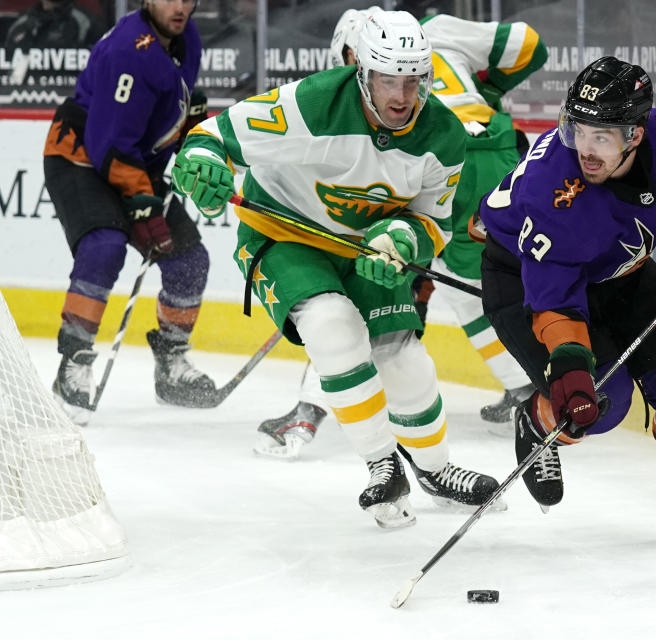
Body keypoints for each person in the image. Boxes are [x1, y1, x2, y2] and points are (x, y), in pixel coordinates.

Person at [172, 10, 502, 529]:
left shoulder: (443, 135)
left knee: (401, 356)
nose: (401, 95)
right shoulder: (312, 104)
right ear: (362, 73)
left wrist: (402, 236)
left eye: (413, 81)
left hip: (366, 249)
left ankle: (436, 471)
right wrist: (202, 156)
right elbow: (214, 133)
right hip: (284, 235)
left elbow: (433, 221)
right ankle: (382, 467)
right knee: (331, 326)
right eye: (388, 79)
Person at [478, 56, 656, 544]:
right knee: (601, 402)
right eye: (577, 131)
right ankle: (537, 421)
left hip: (621, 270)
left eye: (602, 137)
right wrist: (569, 363)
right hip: (527, 276)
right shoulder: (555, 192)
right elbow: (556, 296)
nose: (585, 150)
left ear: (637, 134)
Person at [251, 7, 548, 457]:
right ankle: (527, 392)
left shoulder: (358, 97)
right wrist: (485, 95)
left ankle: (307, 412)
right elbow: (530, 44)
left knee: (358, 290)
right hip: (495, 153)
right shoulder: (437, 36)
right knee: (477, 288)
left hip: (429, 159)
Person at [43, 0, 215, 426]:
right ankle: (73, 365)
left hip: (136, 159)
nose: (179, 6)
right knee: (104, 245)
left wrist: (185, 127)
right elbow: (108, 143)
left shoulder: (186, 36)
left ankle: (171, 366)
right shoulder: (127, 51)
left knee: (190, 261)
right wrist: (142, 204)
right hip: (82, 157)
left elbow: (157, 112)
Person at [4, 0, 106, 87]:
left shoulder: (87, 23)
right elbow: (9, 75)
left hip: (72, 101)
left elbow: (102, 72)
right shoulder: (22, 26)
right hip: (26, 101)